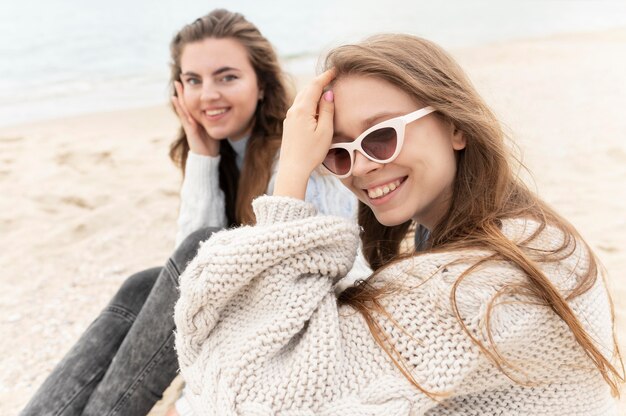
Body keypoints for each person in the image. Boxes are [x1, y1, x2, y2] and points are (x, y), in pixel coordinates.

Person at [173, 34, 624, 415]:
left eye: (382, 135)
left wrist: (291, 175)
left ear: (456, 126)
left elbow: (254, 398)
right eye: (338, 151)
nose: (361, 167)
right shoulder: (507, 232)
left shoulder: (488, 282)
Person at [20, 9, 356, 416]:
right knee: (142, 285)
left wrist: (191, 401)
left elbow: (317, 283)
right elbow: (188, 279)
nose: (207, 95)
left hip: (311, 330)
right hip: (251, 319)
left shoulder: (299, 157)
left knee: (199, 249)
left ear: (262, 84)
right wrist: (201, 155)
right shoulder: (223, 156)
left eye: (227, 77)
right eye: (193, 80)